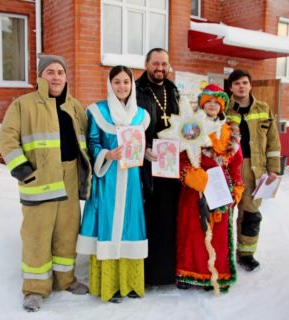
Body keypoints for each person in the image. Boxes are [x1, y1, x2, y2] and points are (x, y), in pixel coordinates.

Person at [0, 54, 92, 312]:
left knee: (67, 232)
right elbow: (6, 139)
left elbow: (88, 140)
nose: (56, 77)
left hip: (70, 178)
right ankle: (35, 289)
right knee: (37, 236)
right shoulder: (23, 105)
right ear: (40, 76)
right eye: (50, 72)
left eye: (60, 72)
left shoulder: (75, 106)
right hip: (39, 179)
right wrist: (23, 171)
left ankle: (66, 280)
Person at [77, 65, 150, 303]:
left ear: (132, 85)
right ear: (110, 84)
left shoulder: (141, 115)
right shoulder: (97, 111)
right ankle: (109, 286)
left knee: (130, 225)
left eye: (126, 82)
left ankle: (129, 283)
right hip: (107, 179)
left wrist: (150, 154)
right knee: (109, 225)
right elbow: (92, 143)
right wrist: (107, 155)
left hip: (130, 181)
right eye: (117, 82)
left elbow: (140, 146)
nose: (122, 87)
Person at [175, 84, 244, 292]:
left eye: (217, 102)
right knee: (192, 231)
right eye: (208, 102)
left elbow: (236, 162)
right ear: (202, 104)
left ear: (222, 106)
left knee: (219, 233)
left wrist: (237, 185)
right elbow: (179, 157)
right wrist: (189, 175)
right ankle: (189, 273)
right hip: (195, 186)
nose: (213, 105)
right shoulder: (191, 126)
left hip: (220, 187)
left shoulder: (229, 130)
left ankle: (214, 273)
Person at [225, 69, 281, 271]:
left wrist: (274, 169)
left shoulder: (264, 108)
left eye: (244, 83)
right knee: (224, 215)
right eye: (237, 83)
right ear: (231, 87)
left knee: (250, 214)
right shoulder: (224, 111)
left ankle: (246, 254)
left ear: (250, 85)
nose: (241, 86)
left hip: (256, 170)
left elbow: (273, 141)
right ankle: (223, 253)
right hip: (230, 169)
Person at [136, 48, 181, 285]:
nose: (160, 68)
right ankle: (148, 274)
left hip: (170, 165)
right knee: (150, 218)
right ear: (146, 64)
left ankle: (168, 272)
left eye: (164, 63)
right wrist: (141, 150)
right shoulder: (135, 90)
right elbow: (127, 127)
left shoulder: (173, 90)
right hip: (145, 164)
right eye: (156, 63)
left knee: (168, 217)